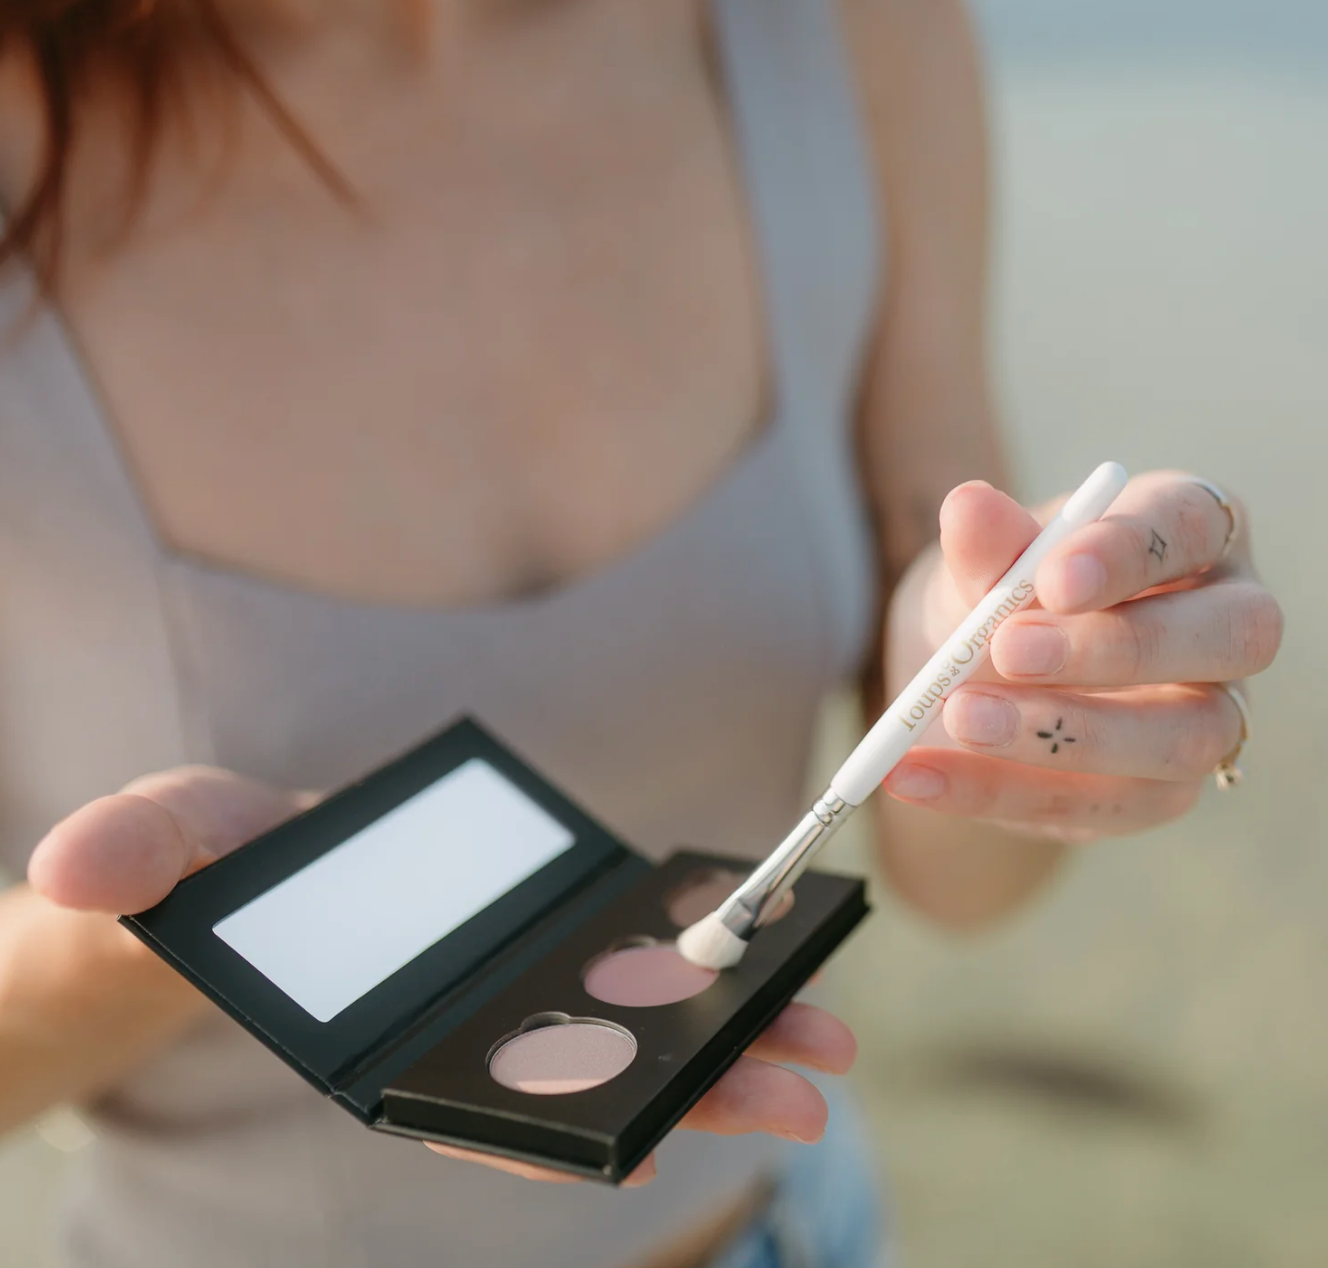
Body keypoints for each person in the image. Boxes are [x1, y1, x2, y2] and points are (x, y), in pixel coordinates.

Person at [0, 0, 1283, 1264]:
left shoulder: (844, 33)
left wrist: (1020, 687)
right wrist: (178, 937)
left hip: (798, 1231)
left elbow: (962, 882)